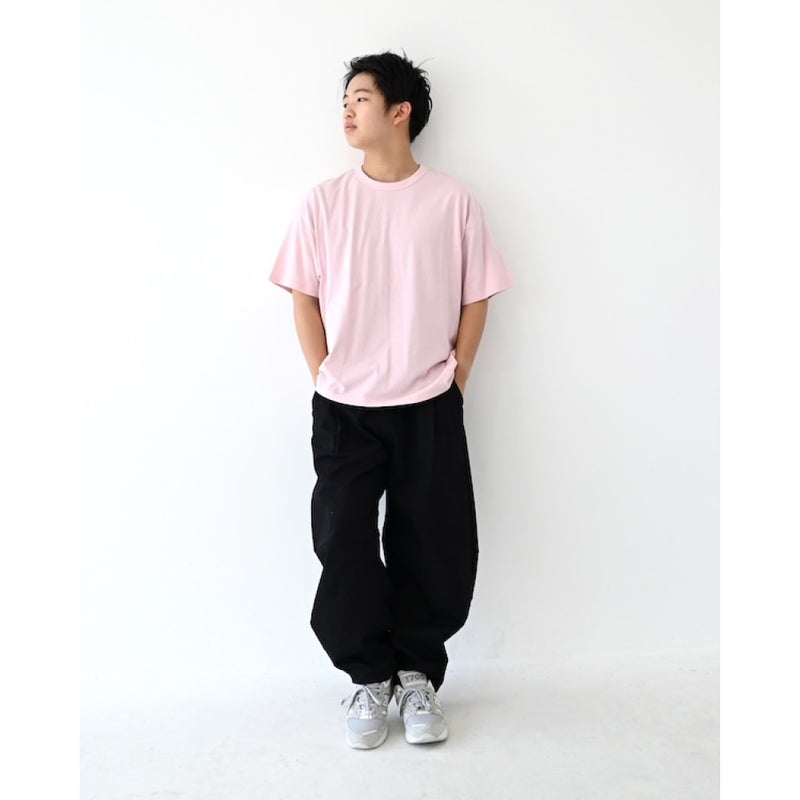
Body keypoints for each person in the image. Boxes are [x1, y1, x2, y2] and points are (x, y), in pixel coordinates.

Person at [269, 50, 514, 749]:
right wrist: (324, 375)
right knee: (343, 540)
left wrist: (456, 378)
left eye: (361, 98)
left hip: (428, 398)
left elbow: (476, 295)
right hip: (344, 405)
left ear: (400, 111)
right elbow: (303, 296)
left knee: (433, 541)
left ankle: (417, 676)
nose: (347, 110)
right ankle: (368, 678)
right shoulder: (324, 201)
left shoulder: (452, 201)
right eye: (344, 99)